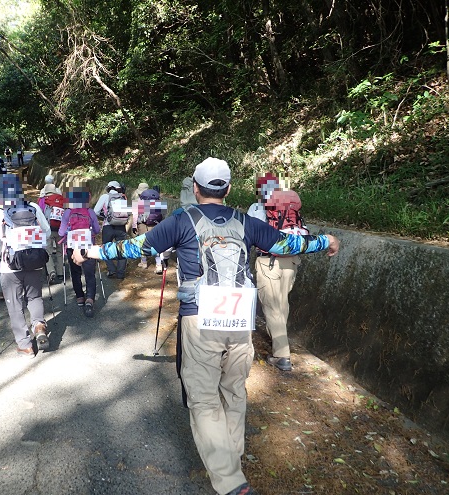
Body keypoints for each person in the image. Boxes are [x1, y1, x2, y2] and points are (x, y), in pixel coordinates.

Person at [72, 158, 340, 495]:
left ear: (195, 188)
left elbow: (136, 246)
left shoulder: (182, 220)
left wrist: (91, 251)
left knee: (203, 399)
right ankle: (231, 461)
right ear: (228, 189)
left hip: (200, 318)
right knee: (233, 391)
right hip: (240, 320)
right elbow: (287, 244)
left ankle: (231, 482)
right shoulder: (245, 221)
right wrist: (324, 241)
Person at [0, 174, 51, 358]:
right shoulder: (32, 208)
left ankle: (25, 345)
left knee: (15, 304)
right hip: (34, 261)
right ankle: (39, 325)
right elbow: (46, 232)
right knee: (34, 297)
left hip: (9, 267)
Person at [252, 180, 309, 372]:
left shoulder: (258, 208)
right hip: (291, 261)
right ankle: (280, 340)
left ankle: (282, 355)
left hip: (268, 262)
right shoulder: (291, 208)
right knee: (282, 303)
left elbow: (250, 233)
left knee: (271, 306)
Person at [58, 184, 101, 317]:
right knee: (89, 274)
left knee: (75, 273)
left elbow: (61, 232)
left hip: (72, 246)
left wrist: (69, 231)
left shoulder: (68, 213)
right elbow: (97, 230)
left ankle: (80, 297)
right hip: (88, 246)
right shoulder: (90, 212)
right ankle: (89, 299)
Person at [93, 180, 130, 279]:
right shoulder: (123, 197)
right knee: (122, 249)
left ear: (109, 188)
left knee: (105, 248)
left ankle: (111, 269)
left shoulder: (105, 197)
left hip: (108, 226)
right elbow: (128, 213)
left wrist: (104, 216)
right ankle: (121, 273)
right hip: (121, 227)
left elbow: (95, 211)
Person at [132, 182, 168, 273]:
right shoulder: (158, 200)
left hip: (143, 225)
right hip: (156, 224)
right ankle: (159, 265)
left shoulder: (138, 201)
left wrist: (134, 226)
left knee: (143, 242)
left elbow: (135, 216)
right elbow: (164, 214)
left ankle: (144, 263)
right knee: (156, 244)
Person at [38, 183, 65, 284]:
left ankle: (51, 271)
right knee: (59, 251)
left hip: (48, 229)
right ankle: (61, 273)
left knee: (48, 251)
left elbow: (39, 214)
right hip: (60, 229)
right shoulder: (62, 200)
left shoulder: (43, 200)